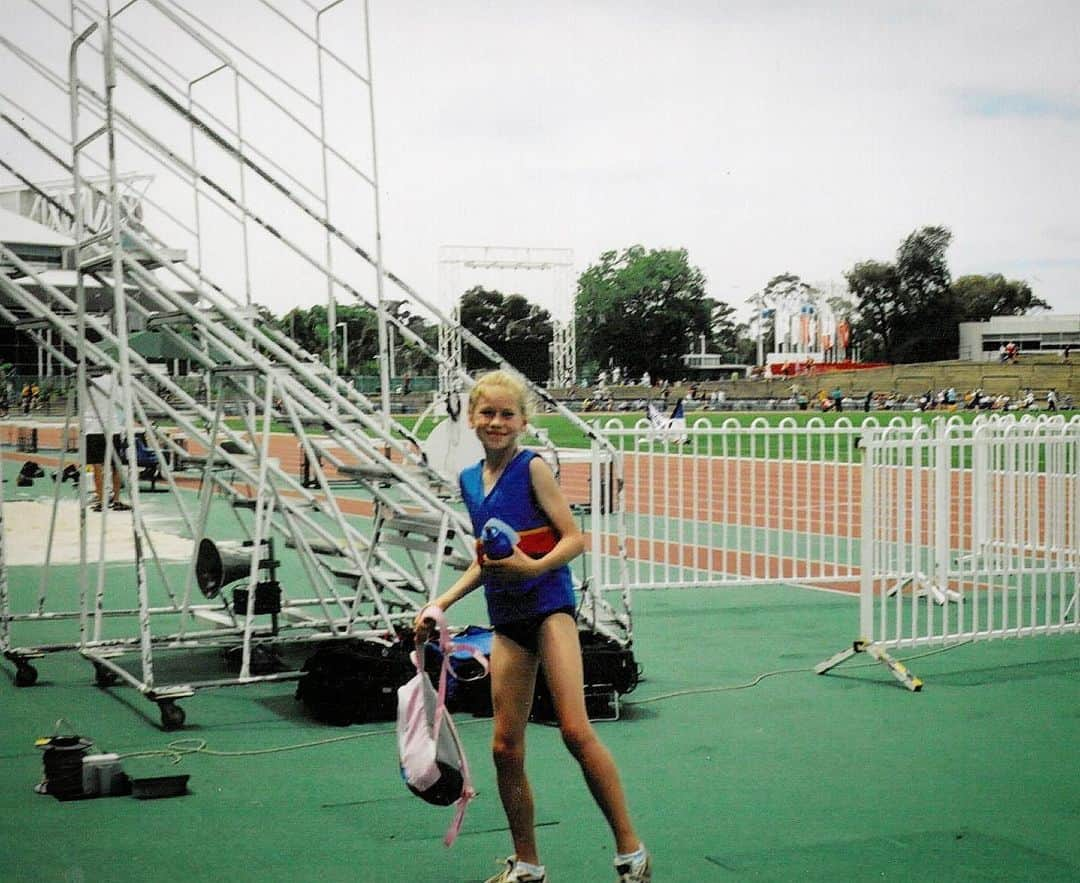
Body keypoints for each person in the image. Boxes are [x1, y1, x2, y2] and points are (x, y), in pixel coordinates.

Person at [414, 370, 650, 883]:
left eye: (506, 414)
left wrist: (533, 568)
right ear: (472, 419)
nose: (496, 422)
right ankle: (527, 864)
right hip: (507, 620)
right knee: (504, 747)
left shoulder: (533, 468)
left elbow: (573, 539)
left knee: (574, 729)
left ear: (523, 420)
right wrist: (442, 602)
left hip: (549, 610)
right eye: (487, 414)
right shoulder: (470, 481)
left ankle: (632, 853)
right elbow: (485, 558)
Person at [83, 369, 130, 511]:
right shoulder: (112, 379)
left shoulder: (85, 382)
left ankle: (102, 499)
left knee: (98, 466)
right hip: (111, 426)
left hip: (93, 426)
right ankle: (116, 499)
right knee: (115, 465)